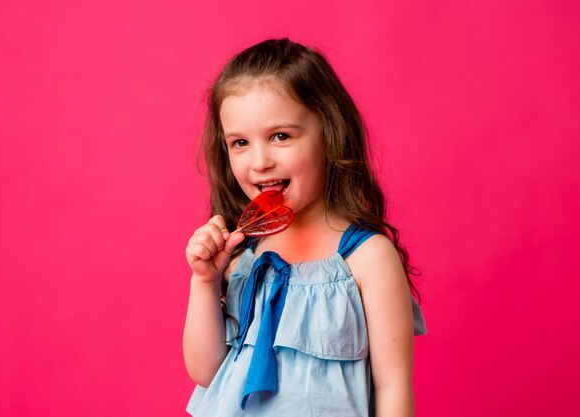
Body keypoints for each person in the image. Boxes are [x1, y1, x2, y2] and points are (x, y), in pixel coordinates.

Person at [183, 38, 427, 417]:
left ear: (329, 135)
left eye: (281, 136)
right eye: (241, 142)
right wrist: (204, 281)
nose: (260, 161)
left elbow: (392, 385)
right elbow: (206, 373)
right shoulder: (243, 256)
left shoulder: (367, 258)